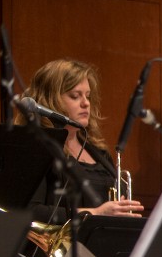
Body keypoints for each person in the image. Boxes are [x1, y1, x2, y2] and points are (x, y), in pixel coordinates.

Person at [16, 58, 145, 224]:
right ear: (50, 100)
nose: (85, 103)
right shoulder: (36, 148)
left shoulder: (100, 154)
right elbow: (30, 211)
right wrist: (94, 213)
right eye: (75, 96)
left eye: (88, 96)